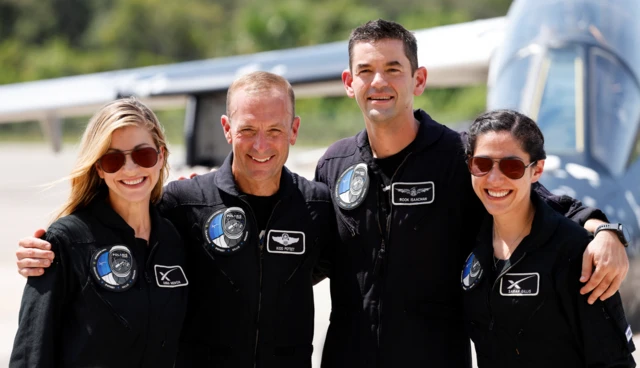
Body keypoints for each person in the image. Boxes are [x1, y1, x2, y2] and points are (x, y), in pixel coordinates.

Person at [313, 19, 629, 367]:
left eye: (393, 69)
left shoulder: (459, 158)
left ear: (418, 80)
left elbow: (537, 199)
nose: (379, 82)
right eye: (366, 70)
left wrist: (604, 231)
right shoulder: (335, 164)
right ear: (348, 82)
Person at [15, 71, 336, 368]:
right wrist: (48, 249)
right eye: (248, 130)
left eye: (275, 130)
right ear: (227, 129)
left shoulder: (317, 206)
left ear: (293, 130)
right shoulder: (185, 205)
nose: (261, 145)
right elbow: (116, 219)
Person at [10, 98, 188, 367]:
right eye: (113, 159)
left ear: (161, 156)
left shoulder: (175, 238)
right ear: (98, 168)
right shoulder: (66, 242)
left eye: (144, 155)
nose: (130, 169)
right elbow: (31, 353)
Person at [461, 109, 635, 367]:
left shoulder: (575, 252)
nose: (495, 179)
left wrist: (608, 230)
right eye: (482, 164)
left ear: (537, 170)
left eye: (512, 166)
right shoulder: (469, 238)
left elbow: (614, 361)